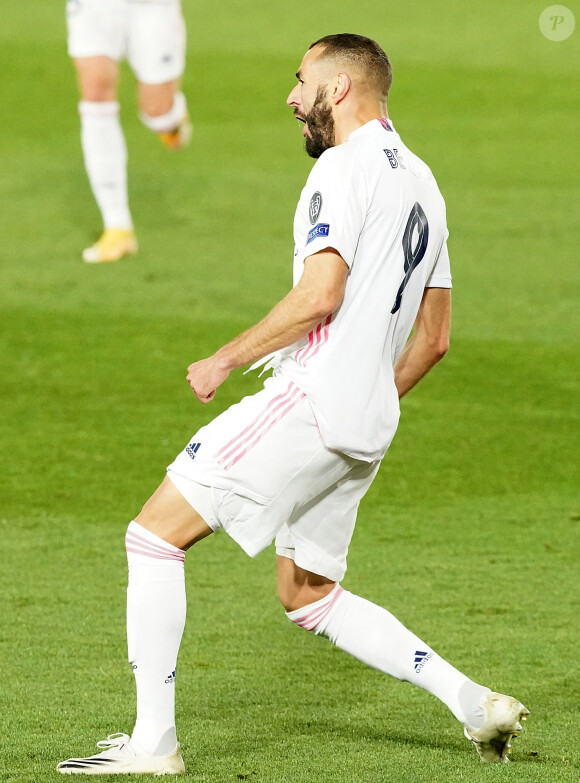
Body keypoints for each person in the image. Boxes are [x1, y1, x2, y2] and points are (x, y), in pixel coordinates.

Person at [57, 34, 529, 775]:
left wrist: (225, 357)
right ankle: (474, 701)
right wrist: (367, 393)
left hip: (310, 402)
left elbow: (320, 295)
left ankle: (154, 744)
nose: (291, 96)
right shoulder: (428, 186)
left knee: (152, 537)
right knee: (308, 594)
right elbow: (434, 339)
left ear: (339, 89)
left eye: (301, 80)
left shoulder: (343, 168)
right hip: (368, 424)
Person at [66, 0, 192, 264]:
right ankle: (117, 227)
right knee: (95, 92)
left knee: (157, 112)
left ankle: (170, 119)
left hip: (150, 6)